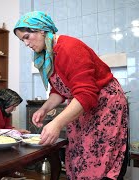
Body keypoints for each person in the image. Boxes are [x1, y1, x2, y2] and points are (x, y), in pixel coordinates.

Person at [14, 11, 128, 179]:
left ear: (41, 30)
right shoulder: (48, 54)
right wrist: (44, 109)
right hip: (82, 103)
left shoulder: (69, 48)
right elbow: (60, 90)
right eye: (22, 40)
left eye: (26, 37)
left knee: (98, 156)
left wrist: (57, 123)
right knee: (77, 153)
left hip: (104, 104)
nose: (26, 43)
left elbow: (86, 93)